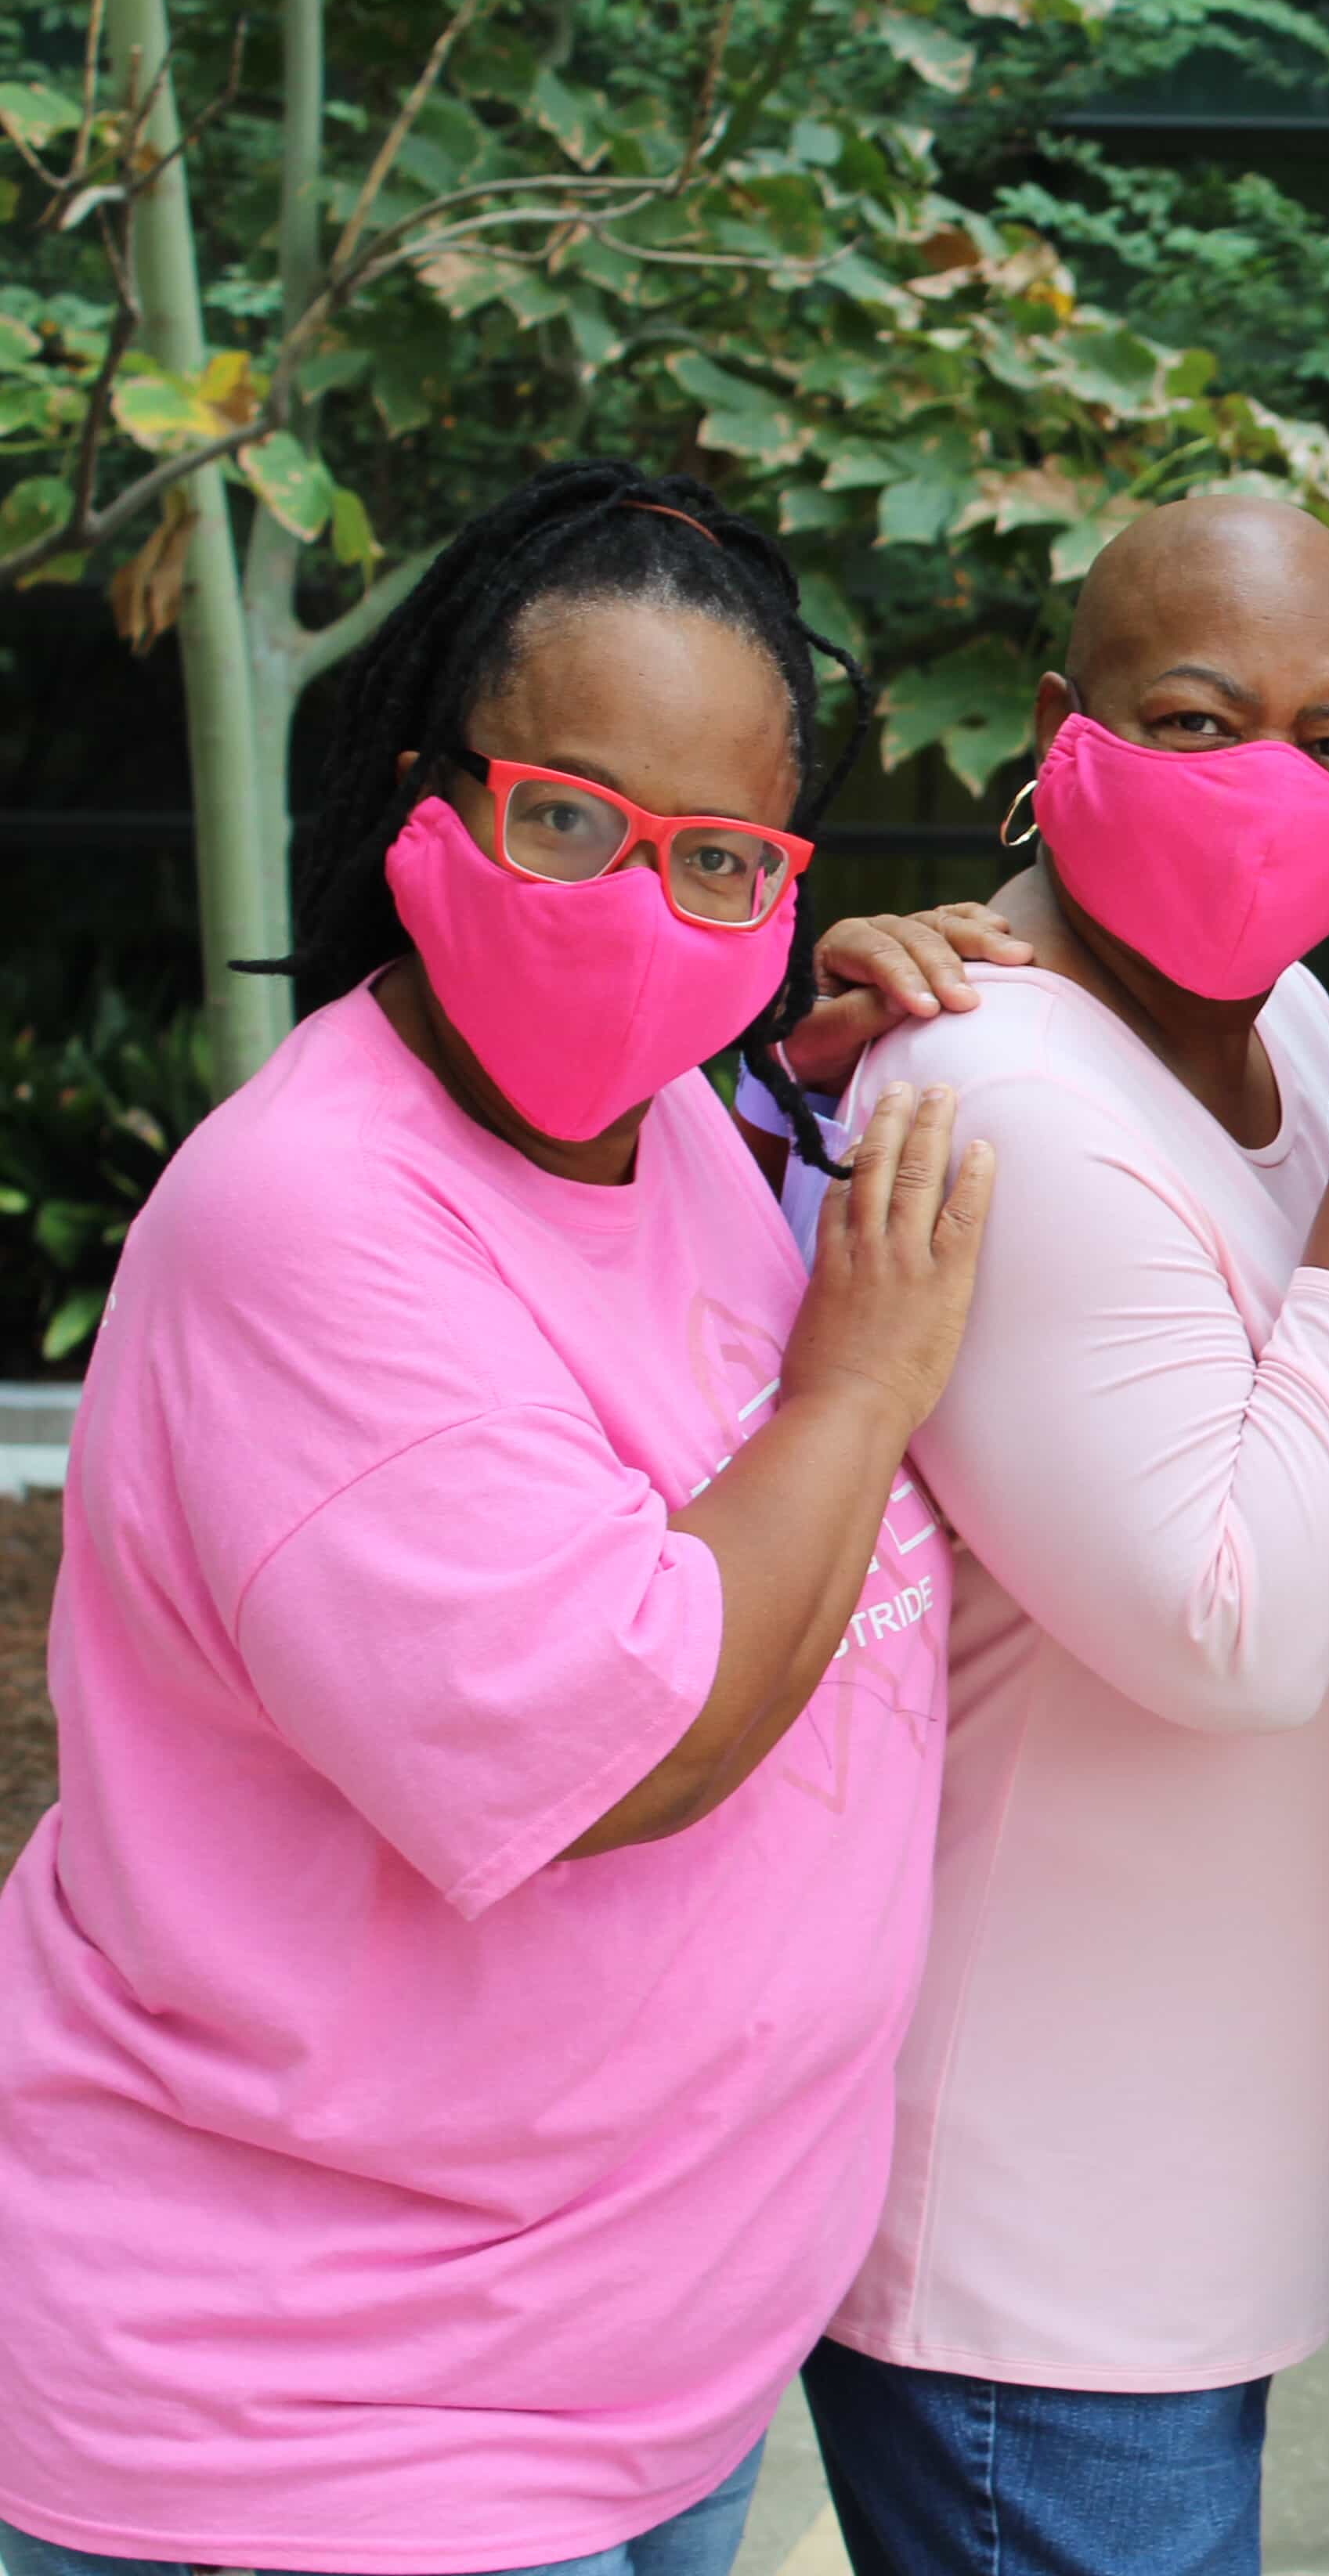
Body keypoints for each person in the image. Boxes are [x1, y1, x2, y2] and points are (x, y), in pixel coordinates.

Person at [0, 464, 990, 2576]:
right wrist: (862, 1377)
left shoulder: (686, 1134)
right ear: (423, 793)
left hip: (639, 2382)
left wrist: (793, 1059)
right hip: (326, 2417)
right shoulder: (318, 1220)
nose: (637, 908)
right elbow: (628, 1734)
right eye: (570, 820)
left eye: (719, 862)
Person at [760, 496, 1329, 2576]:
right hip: (1039, 2241)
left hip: (1186, 2183)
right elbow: (1235, 1626)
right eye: (1196, 721)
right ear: (1060, 726)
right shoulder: (1002, 1098)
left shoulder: (1285, 1030)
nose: (1269, 793)